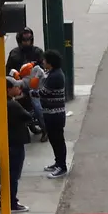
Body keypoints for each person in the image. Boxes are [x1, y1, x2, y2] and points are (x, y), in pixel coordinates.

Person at [4, 78, 33, 213]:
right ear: (8, 89)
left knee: (6, 175)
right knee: (13, 175)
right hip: (15, 143)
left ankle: (5, 199)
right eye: (16, 87)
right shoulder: (13, 105)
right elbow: (28, 116)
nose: (19, 89)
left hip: (7, 142)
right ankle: (12, 202)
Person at [40, 51, 68, 179]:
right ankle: (58, 162)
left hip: (55, 115)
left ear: (50, 62)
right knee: (53, 139)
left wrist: (30, 90)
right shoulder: (51, 74)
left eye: (45, 60)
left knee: (58, 140)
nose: (43, 62)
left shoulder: (55, 76)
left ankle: (62, 166)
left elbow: (43, 92)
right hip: (50, 113)